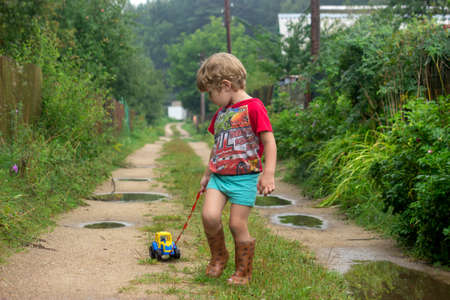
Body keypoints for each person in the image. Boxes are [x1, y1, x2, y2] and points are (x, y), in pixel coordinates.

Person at [196, 52, 277, 285]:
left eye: (211, 93)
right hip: (219, 177)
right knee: (209, 216)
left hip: (244, 179)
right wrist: (206, 174)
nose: (211, 99)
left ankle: (243, 272)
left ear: (225, 85)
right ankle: (219, 257)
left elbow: (269, 141)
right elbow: (217, 146)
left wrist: (268, 173)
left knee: (236, 224)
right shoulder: (221, 114)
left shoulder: (254, 107)